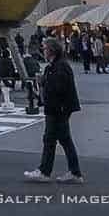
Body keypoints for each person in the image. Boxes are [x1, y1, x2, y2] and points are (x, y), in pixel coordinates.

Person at [25, 38, 83, 184]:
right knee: (63, 139)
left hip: (57, 109)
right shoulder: (54, 66)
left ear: (51, 50)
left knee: (50, 139)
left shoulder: (60, 66)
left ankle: (45, 171)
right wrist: (43, 81)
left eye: (44, 48)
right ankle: (73, 172)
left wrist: (44, 82)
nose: (43, 51)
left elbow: (59, 88)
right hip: (57, 108)